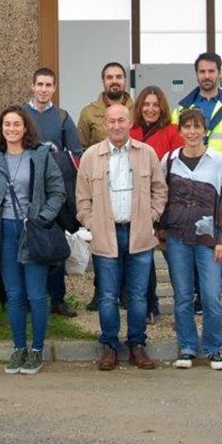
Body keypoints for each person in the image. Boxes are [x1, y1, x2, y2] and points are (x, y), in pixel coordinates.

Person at [76, 103, 167, 371]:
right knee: (107, 295)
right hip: (106, 235)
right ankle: (109, 345)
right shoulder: (92, 156)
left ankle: (137, 344)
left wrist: (151, 215)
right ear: (105, 124)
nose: (116, 126)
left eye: (121, 121)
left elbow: (160, 190)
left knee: (138, 296)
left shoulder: (145, 153)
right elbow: (82, 198)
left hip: (138, 234)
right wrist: (92, 223)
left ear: (130, 123)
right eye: (111, 121)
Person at [0, 106, 65, 376]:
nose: (12, 129)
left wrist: (42, 218)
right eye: (7, 125)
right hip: (5, 231)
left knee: (36, 295)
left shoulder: (39, 156)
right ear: (1, 129)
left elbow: (57, 192)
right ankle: (19, 348)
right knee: (14, 295)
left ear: (25, 127)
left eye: (17, 124)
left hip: (33, 231)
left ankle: (37, 349)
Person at [174, 52, 222, 319]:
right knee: (195, 235)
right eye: (202, 72)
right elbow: (177, 144)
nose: (207, 76)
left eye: (211, 71)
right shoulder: (183, 108)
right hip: (191, 179)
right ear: (196, 74)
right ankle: (201, 294)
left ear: (220, 73)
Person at [157, 107, 222, 370]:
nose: (192, 132)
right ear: (179, 131)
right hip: (177, 237)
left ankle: (214, 348)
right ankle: (188, 347)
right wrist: (160, 232)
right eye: (187, 127)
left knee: (212, 295)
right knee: (182, 295)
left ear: (205, 130)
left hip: (209, 239)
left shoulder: (219, 161)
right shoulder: (168, 161)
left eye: (197, 127)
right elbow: (160, 197)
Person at [24, 67, 83, 318]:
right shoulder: (21, 114)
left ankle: (57, 299)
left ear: (54, 88)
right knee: (26, 246)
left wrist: (54, 160)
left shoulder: (62, 118)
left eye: (49, 85)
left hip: (55, 194)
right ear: (33, 86)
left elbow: (76, 154)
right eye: (40, 84)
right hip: (25, 190)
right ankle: (27, 300)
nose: (44, 89)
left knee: (55, 245)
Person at [130, 84, 180, 320]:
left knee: (175, 258)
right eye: (146, 104)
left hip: (167, 203)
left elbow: (177, 168)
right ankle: (151, 304)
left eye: (155, 104)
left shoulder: (172, 131)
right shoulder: (132, 132)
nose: (150, 109)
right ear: (139, 107)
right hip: (139, 205)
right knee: (144, 260)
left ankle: (184, 304)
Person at [77, 61, 130, 148]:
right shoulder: (88, 113)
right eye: (109, 78)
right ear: (103, 81)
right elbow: (80, 149)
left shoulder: (137, 110)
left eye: (119, 77)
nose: (114, 81)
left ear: (125, 80)